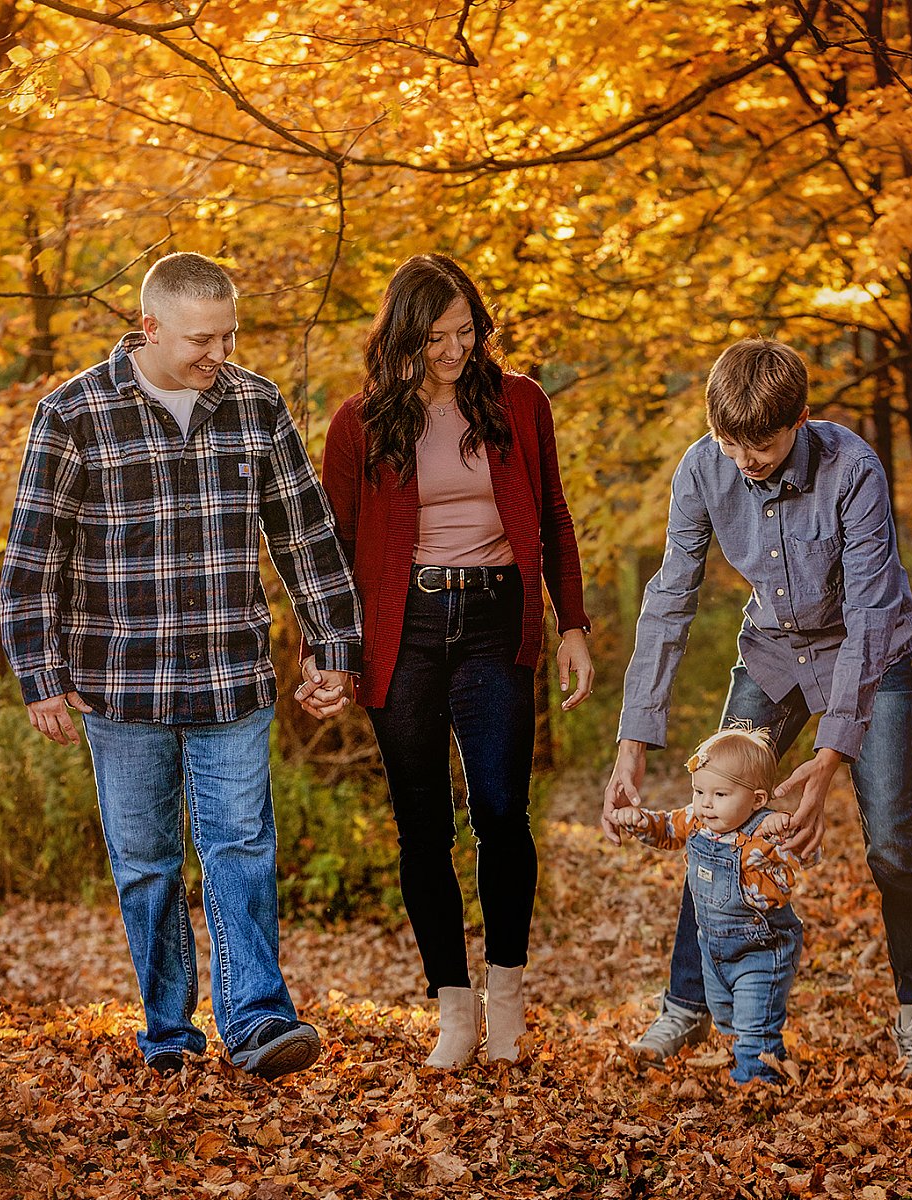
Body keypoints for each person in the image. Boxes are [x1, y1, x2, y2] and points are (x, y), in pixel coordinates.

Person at [0, 251, 362, 1081]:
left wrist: (330, 646)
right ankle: (169, 1032)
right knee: (146, 866)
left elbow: (304, 534)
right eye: (203, 339)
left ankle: (259, 1021)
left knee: (242, 848)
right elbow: (32, 561)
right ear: (151, 327)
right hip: (118, 688)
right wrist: (40, 674)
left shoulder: (257, 405)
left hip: (233, 677)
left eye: (229, 335)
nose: (219, 354)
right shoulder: (74, 415)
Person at [602, 337, 912, 1078]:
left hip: (870, 659)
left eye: (759, 444)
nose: (745, 460)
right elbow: (669, 601)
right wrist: (633, 741)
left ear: (798, 420)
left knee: (890, 837)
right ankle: (688, 1007)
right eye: (730, 442)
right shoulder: (703, 468)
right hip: (771, 654)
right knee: (713, 817)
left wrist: (829, 762)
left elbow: (869, 619)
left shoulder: (852, 468)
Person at [307, 253, 593, 1069]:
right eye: (436, 336)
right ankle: (453, 1009)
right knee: (421, 826)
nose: (454, 349)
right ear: (402, 335)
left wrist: (571, 623)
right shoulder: (359, 423)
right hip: (403, 628)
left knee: (502, 812)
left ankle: (507, 995)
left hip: (496, 619)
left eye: (466, 332)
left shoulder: (519, 402)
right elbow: (333, 550)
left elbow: (555, 515)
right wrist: (326, 652)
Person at [607, 729, 807, 1084]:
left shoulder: (764, 835)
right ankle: (749, 1062)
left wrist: (785, 836)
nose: (705, 803)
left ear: (757, 799)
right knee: (727, 1020)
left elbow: (800, 863)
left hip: (761, 952)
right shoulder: (697, 822)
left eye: (719, 794)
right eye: (699, 791)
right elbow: (668, 829)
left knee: (754, 1028)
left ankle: (758, 1087)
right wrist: (641, 823)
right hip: (712, 952)